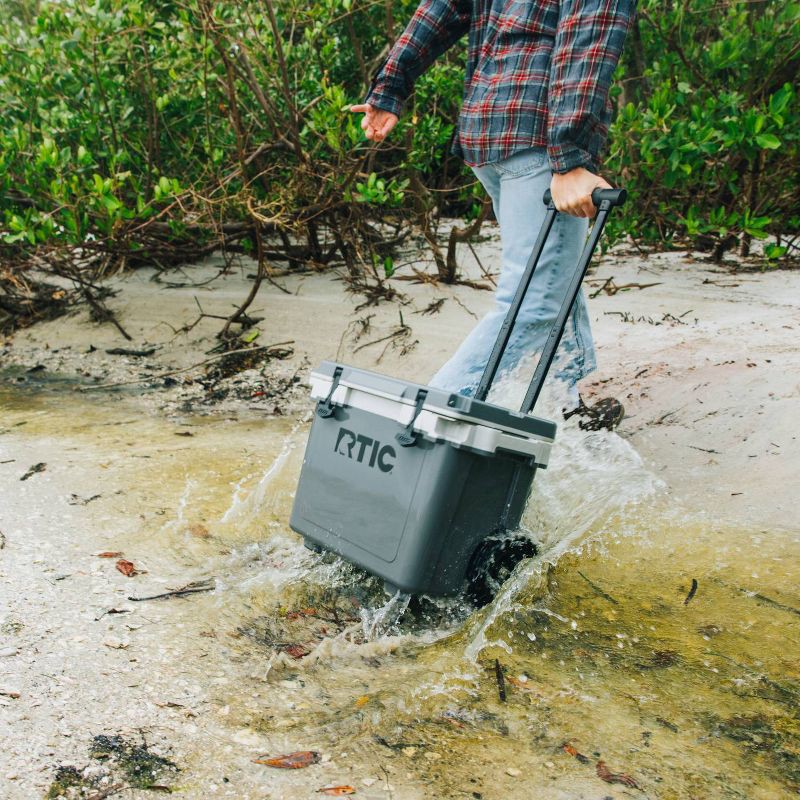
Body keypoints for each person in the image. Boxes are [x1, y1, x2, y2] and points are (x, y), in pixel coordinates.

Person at [350, 0, 635, 430]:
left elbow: (443, 8)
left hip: (487, 125)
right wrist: (570, 157)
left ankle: (567, 407)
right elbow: (586, 41)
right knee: (533, 298)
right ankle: (418, 428)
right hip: (537, 131)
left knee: (551, 270)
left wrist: (392, 84)